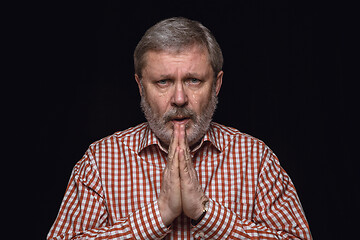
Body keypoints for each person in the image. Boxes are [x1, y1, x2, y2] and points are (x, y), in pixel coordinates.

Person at [48, 17, 312, 239]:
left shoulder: (256, 159)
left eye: (193, 80)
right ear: (141, 87)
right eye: (163, 82)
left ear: (216, 85)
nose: (179, 98)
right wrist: (159, 214)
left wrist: (205, 214)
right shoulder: (100, 161)